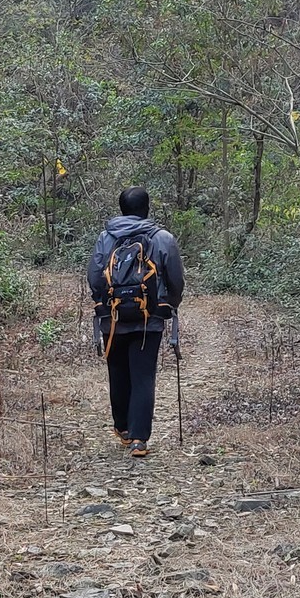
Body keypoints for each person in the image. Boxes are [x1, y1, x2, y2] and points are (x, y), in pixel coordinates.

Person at [87, 187, 184, 457]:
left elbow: (95, 276)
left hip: (113, 316)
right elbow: (175, 278)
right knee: (143, 376)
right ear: (147, 208)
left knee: (117, 371)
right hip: (148, 318)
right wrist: (169, 305)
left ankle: (123, 429)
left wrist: (103, 304)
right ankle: (139, 439)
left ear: (121, 209)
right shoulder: (162, 238)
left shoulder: (106, 238)